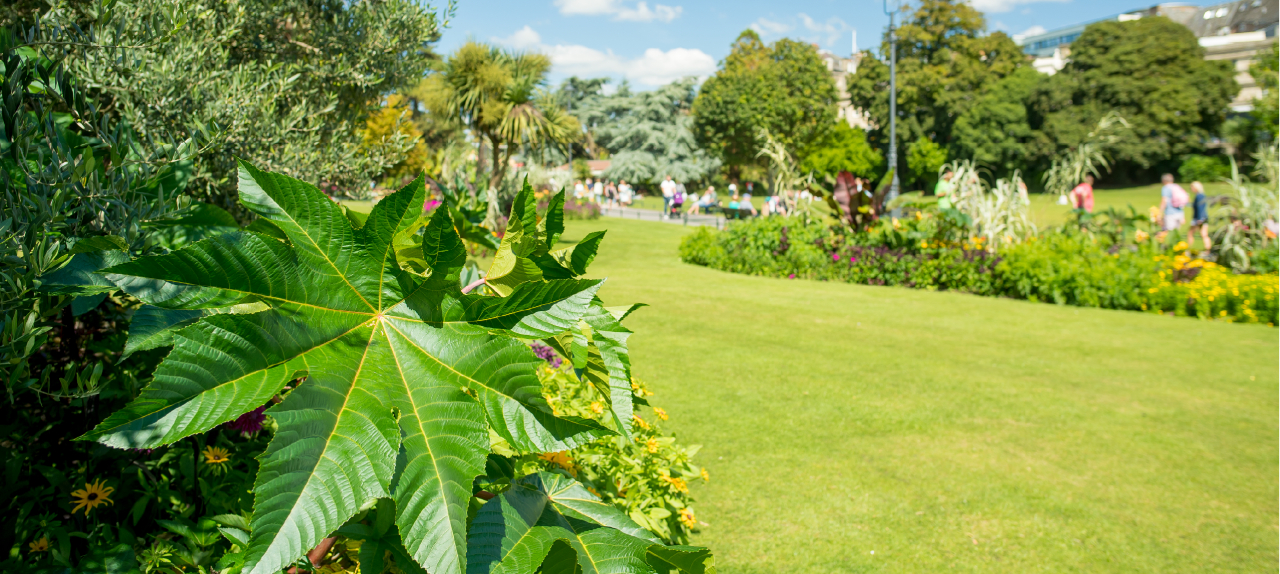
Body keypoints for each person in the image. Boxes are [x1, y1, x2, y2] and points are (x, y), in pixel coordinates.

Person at [1187, 181, 1211, 251]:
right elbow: (1194, 205)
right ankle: (1208, 250)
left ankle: (1189, 249)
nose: (1191, 189)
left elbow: (1200, 207)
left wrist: (1200, 219)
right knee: (1204, 234)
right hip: (1204, 217)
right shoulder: (1202, 195)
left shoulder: (1199, 196)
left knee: (1190, 233)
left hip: (1198, 218)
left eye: (1192, 187)